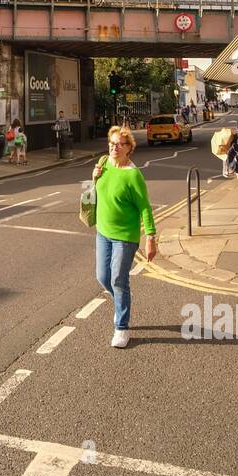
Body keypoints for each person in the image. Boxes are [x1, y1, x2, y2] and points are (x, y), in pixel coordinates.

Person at [90, 126, 157, 349]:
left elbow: (145, 208)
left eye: (119, 144)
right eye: (111, 142)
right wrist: (94, 177)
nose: (114, 147)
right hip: (103, 232)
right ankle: (121, 301)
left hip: (125, 237)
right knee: (103, 277)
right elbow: (98, 190)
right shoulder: (103, 162)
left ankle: (121, 327)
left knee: (118, 279)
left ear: (129, 148)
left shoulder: (133, 175)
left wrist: (150, 237)